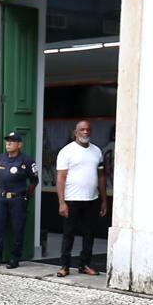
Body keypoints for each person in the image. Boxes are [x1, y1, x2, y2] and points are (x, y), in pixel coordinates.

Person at [55, 119, 108, 277]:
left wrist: (104, 200)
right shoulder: (66, 151)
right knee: (69, 233)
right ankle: (64, 266)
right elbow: (60, 178)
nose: (85, 132)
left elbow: (101, 176)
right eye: (82, 130)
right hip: (72, 200)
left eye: (88, 130)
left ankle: (84, 264)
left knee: (89, 234)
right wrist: (62, 203)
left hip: (92, 199)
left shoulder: (97, 151)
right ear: (75, 132)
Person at [0, 129, 37, 269]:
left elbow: (34, 181)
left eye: (12, 141)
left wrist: (26, 195)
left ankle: (14, 258)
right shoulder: (1, 158)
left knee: (17, 229)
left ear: (19, 145)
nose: (8, 143)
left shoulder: (26, 160)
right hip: (2, 199)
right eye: (7, 141)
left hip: (18, 199)